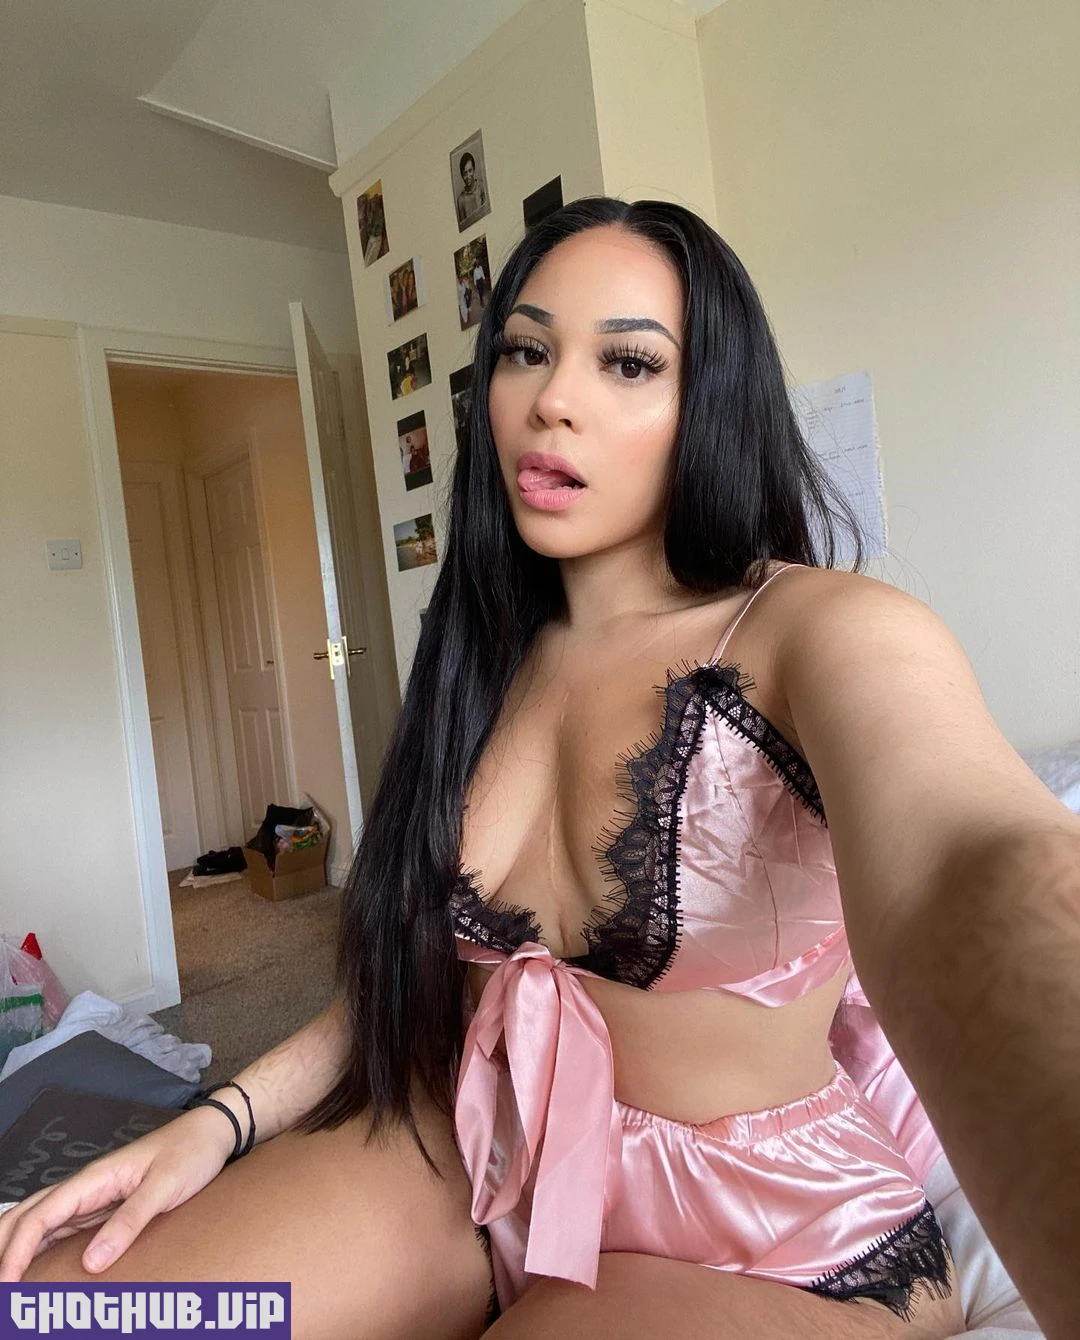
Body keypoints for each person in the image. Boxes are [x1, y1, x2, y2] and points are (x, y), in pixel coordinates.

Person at [1, 198, 1078, 1340]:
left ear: (710, 402)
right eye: (525, 350)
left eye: (628, 361)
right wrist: (216, 1121)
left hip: (773, 1241)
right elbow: (401, 980)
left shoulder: (821, 630)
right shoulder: (482, 657)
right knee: (66, 1307)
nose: (552, 400)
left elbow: (972, 866)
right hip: (491, 1168)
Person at [456, 151, 488, 227]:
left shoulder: (481, 186)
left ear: (474, 169)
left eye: (470, 171)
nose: (468, 176)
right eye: (465, 173)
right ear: (462, 175)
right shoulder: (461, 201)